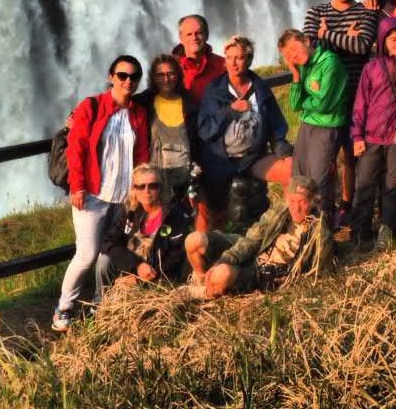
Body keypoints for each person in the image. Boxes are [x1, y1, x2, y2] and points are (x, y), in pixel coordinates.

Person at [52, 55, 150, 332]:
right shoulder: (92, 106)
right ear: (111, 77)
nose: (128, 81)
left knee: (110, 253)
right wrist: (77, 186)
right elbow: (76, 148)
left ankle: (101, 303)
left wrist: (139, 191)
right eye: (122, 75)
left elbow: (142, 153)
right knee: (87, 253)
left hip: (124, 198)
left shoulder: (138, 114)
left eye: (134, 76)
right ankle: (64, 306)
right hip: (92, 196)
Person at [303, 0, 379, 226]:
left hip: (358, 95)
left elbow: (361, 46)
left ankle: (349, 206)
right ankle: (321, 212)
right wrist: (345, 37)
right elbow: (309, 51)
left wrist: (328, 34)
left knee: (352, 154)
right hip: (325, 99)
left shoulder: (366, 11)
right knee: (324, 157)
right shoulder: (315, 12)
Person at [197, 36, 292, 232]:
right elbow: (205, 130)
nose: (233, 63)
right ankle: (206, 246)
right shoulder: (214, 90)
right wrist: (230, 111)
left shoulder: (260, 88)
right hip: (221, 160)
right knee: (213, 213)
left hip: (254, 157)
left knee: (292, 172)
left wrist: (285, 153)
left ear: (248, 60)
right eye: (229, 58)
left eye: (239, 58)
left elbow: (276, 127)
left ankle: (287, 229)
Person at [184, 176, 333, 297]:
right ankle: (200, 280)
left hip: (263, 274)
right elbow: (252, 240)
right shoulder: (280, 211)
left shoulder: (320, 232)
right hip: (256, 251)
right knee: (194, 241)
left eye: (302, 202)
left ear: (313, 202)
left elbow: (320, 274)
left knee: (222, 274)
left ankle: (205, 293)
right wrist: (226, 259)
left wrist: (293, 280)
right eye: (292, 201)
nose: (296, 208)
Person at [346, 16, 396, 249]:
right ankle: (361, 233)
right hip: (371, 137)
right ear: (382, 41)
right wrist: (357, 136)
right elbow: (360, 104)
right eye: (393, 39)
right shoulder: (372, 68)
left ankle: (387, 231)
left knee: (392, 185)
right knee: (364, 184)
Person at [279, 29, 349, 222]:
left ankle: (324, 224)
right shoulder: (303, 67)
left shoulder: (330, 63)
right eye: (287, 55)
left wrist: (305, 101)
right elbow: (294, 105)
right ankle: (302, 223)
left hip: (327, 127)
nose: (293, 56)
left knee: (320, 179)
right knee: (299, 177)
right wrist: (295, 75)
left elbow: (325, 104)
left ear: (307, 41)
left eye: (294, 49)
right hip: (307, 126)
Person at [96, 163, 193, 296]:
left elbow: (176, 257)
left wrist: (141, 280)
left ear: (161, 188)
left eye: (153, 186)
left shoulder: (174, 215)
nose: (146, 191)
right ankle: (101, 302)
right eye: (141, 186)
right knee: (104, 261)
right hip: (133, 269)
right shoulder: (129, 213)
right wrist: (136, 266)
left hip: (162, 279)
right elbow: (109, 243)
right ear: (134, 189)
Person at [133, 53, 201, 203]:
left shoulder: (191, 104)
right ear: (153, 78)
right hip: (153, 183)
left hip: (184, 180)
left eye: (171, 74)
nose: (166, 79)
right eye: (160, 75)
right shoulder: (143, 102)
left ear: (178, 75)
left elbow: (199, 140)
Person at [173, 14, 227, 103]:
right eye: (189, 34)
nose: (194, 38)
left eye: (199, 33)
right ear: (181, 38)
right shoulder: (169, 67)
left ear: (207, 35)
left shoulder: (224, 65)